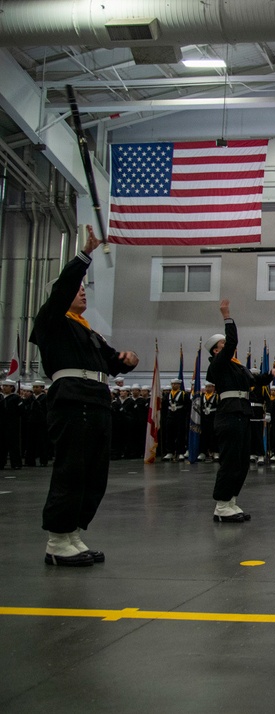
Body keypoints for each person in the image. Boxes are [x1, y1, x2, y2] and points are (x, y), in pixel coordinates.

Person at [29, 225, 138, 566]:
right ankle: (57, 540)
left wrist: (126, 361)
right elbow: (62, 290)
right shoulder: (52, 321)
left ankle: (73, 533)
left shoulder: (87, 331)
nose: (83, 293)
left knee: (94, 473)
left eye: (84, 290)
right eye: (77, 290)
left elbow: (111, 362)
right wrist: (84, 256)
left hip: (96, 400)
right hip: (73, 399)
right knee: (72, 469)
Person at [206, 300, 275, 523]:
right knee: (230, 461)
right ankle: (221, 505)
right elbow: (232, 342)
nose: (230, 347)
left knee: (241, 461)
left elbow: (255, 379)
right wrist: (227, 317)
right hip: (228, 416)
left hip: (242, 416)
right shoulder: (218, 365)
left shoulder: (237, 367)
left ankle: (230, 501)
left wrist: (270, 374)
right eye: (223, 345)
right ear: (216, 350)